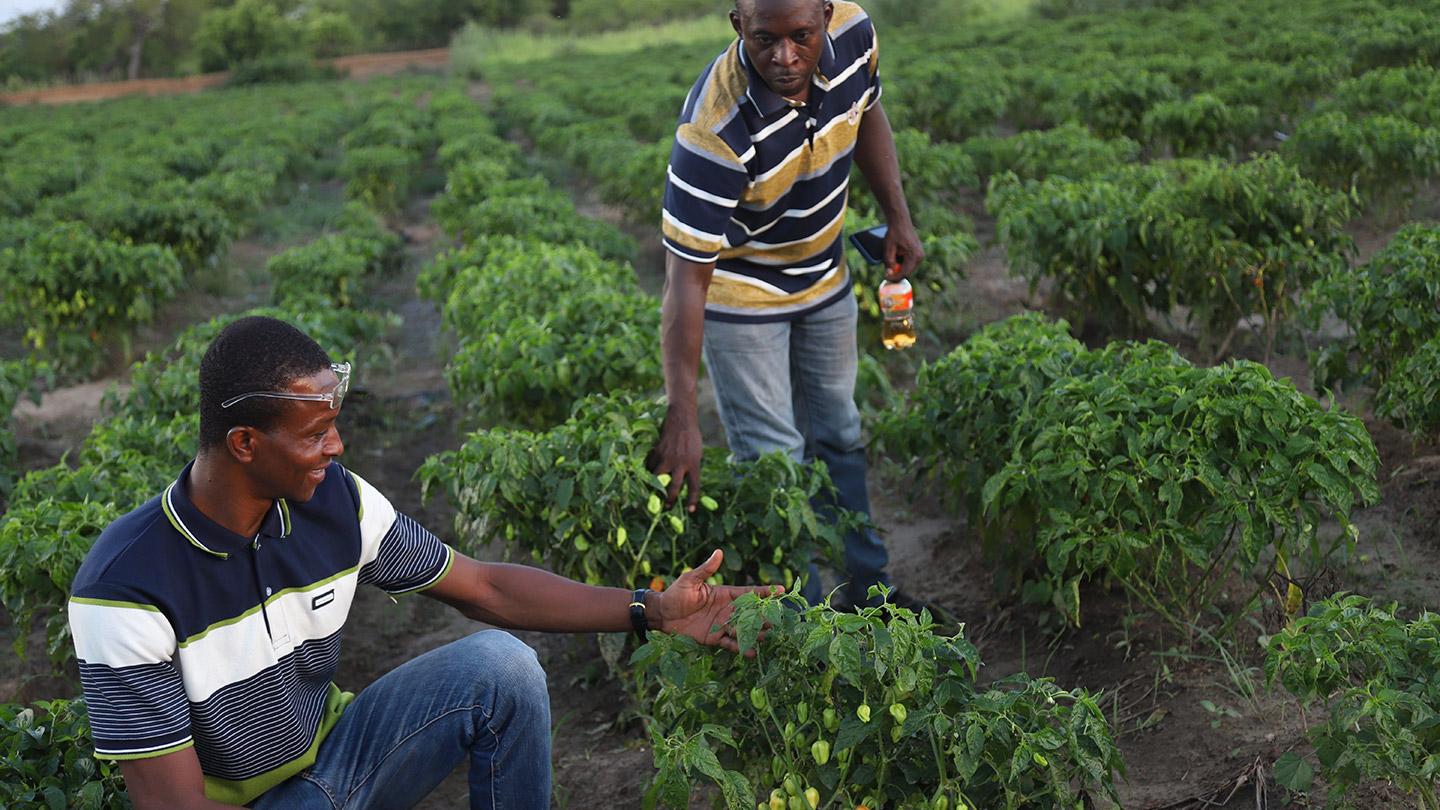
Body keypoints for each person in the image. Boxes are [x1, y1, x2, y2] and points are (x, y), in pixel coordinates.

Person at [68, 316, 776, 810]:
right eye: (317, 433)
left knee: (502, 668)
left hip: (339, 762)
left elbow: (486, 587)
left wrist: (651, 610)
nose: (338, 447)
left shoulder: (332, 504)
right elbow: (174, 806)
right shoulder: (126, 588)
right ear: (246, 443)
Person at [648, 0, 928, 611]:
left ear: (826, 15)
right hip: (740, 293)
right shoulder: (713, 130)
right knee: (774, 459)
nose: (784, 57)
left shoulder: (855, 35)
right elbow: (686, 281)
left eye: (801, 36)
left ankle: (871, 592)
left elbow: (867, 113)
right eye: (763, 39)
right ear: (736, 25)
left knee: (839, 430)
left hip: (824, 273)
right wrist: (684, 413)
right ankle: (803, 618)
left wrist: (897, 216)